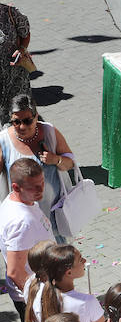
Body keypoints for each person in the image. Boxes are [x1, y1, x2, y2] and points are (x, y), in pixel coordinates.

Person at [2, 94, 78, 241]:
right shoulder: (4, 140)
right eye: (16, 122)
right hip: (22, 220)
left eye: (27, 121)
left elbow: (71, 164)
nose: (22, 126)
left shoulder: (49, 132)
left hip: (52, 216)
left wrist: (56, 159)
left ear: (36, 117)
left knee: (57, 260)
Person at [3, 159, 52, 322]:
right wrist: (36, 298)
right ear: (16, 186)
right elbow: (14, 271)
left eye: (42, 183)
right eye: (34, 187)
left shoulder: (20, 200)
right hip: (32, 292)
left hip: (37, 288)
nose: (41, 189)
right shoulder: (20, 221)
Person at [24, 243, 103, 322]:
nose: (84, 261)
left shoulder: (34, 287)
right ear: (69, 272)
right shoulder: (87, 301)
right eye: (80, 260)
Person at [0, 3, 31, 108]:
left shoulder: (10, 12)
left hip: (15, 80)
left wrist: (22, 50)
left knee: (18, 116)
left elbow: (25, 34)